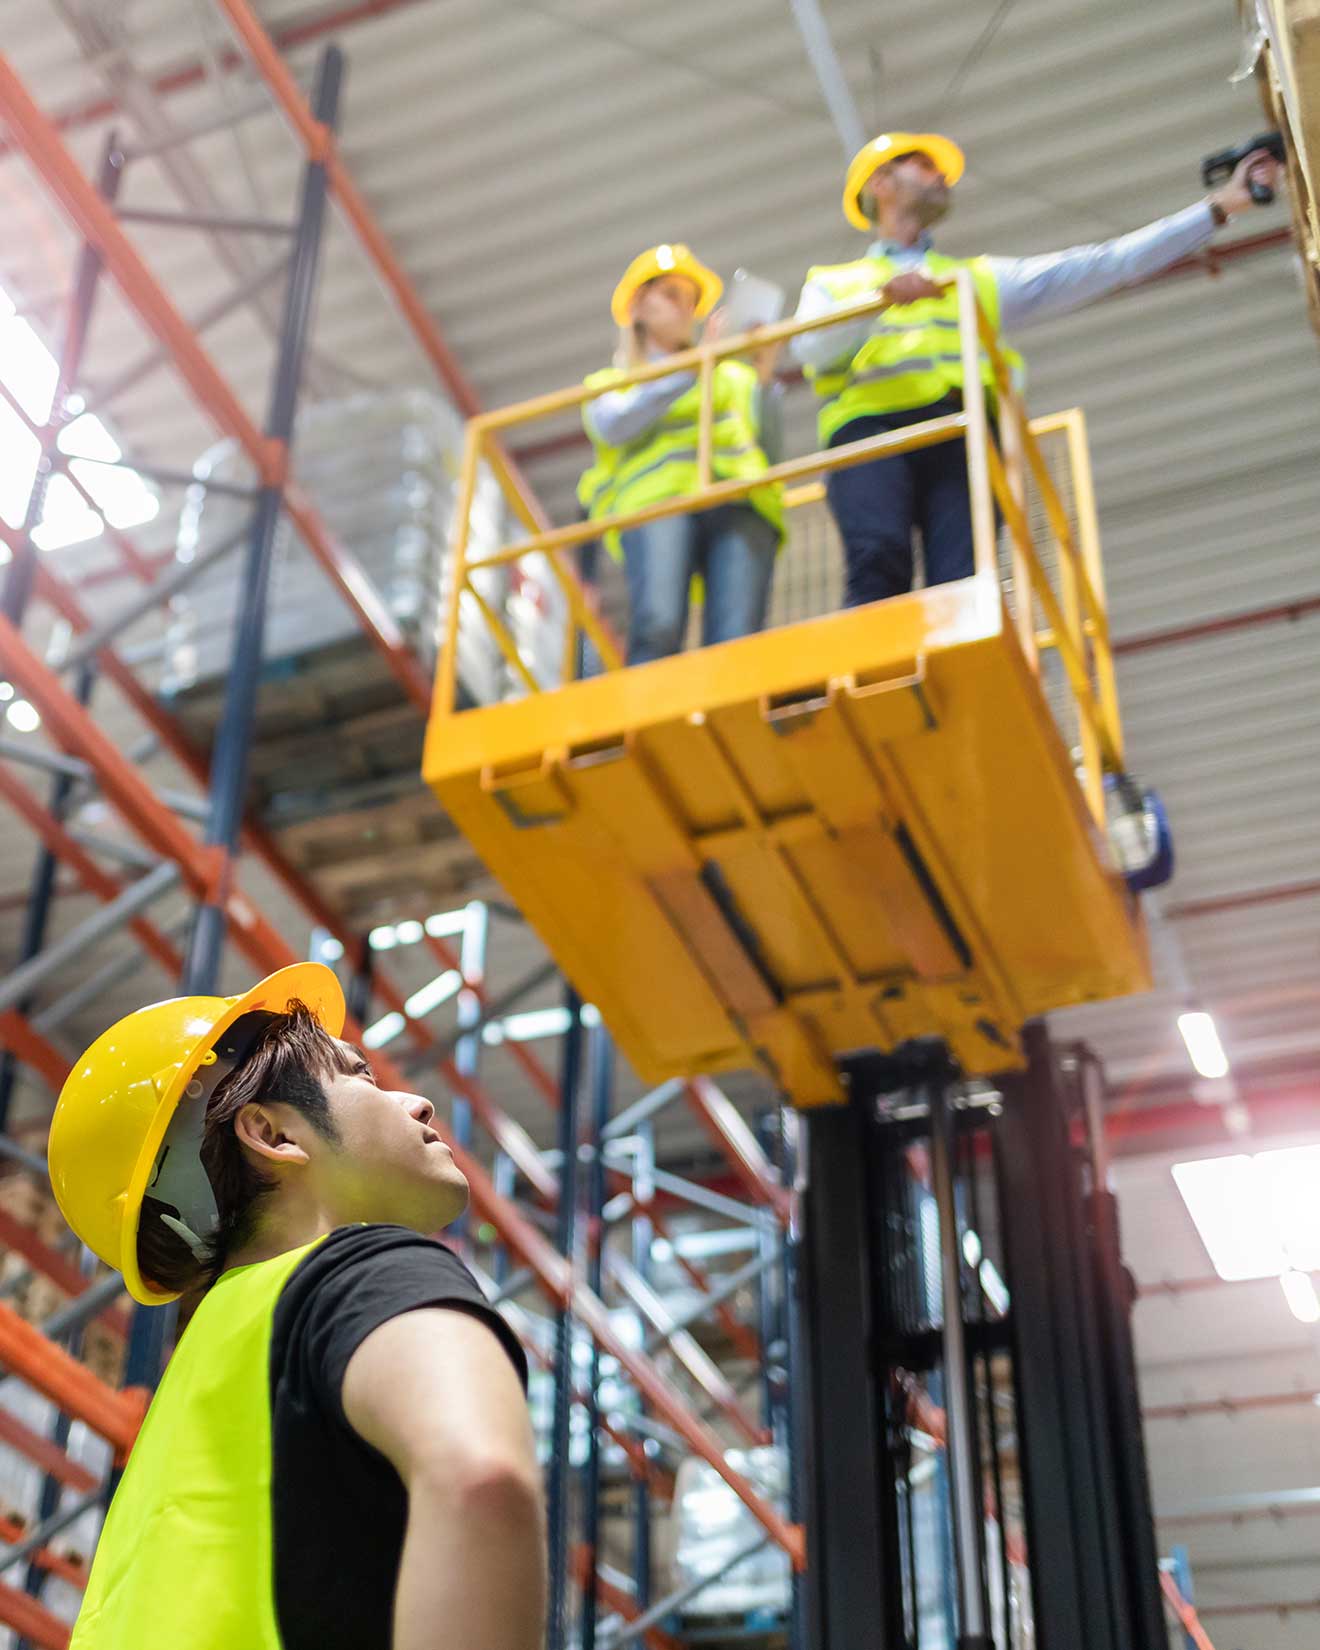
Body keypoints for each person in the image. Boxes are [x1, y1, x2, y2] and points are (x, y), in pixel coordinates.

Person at [46, 963, 544, 1650]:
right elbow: (482, 1481)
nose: (417, 1104)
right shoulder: (360, 1277)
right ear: (273, 1136)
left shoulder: (191, 1397)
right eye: (360, 1076)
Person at [791, 130, 1284, 607]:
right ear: (881, 183)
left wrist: (1221, 207)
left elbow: (1108, 264)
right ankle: (875, 681)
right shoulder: (835, 284)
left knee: (962, 583)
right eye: (923, 165)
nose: (941, 174)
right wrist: (879, 299)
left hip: (960, 435)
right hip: (869, 435)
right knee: (878, 556)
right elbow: (812, 349)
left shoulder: (976, 278)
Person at [579, 243, 785, 664]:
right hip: (658, 508)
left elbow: (769, 448)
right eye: (671, 295)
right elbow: (613, 425)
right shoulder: (613, 382)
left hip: (739, 502)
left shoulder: (730, 373)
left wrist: (763, 375)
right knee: (658, 628)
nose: (685, 310)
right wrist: (694, 369)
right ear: (637, 305)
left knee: (737, 640)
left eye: (690, 301)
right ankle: (648, 726)